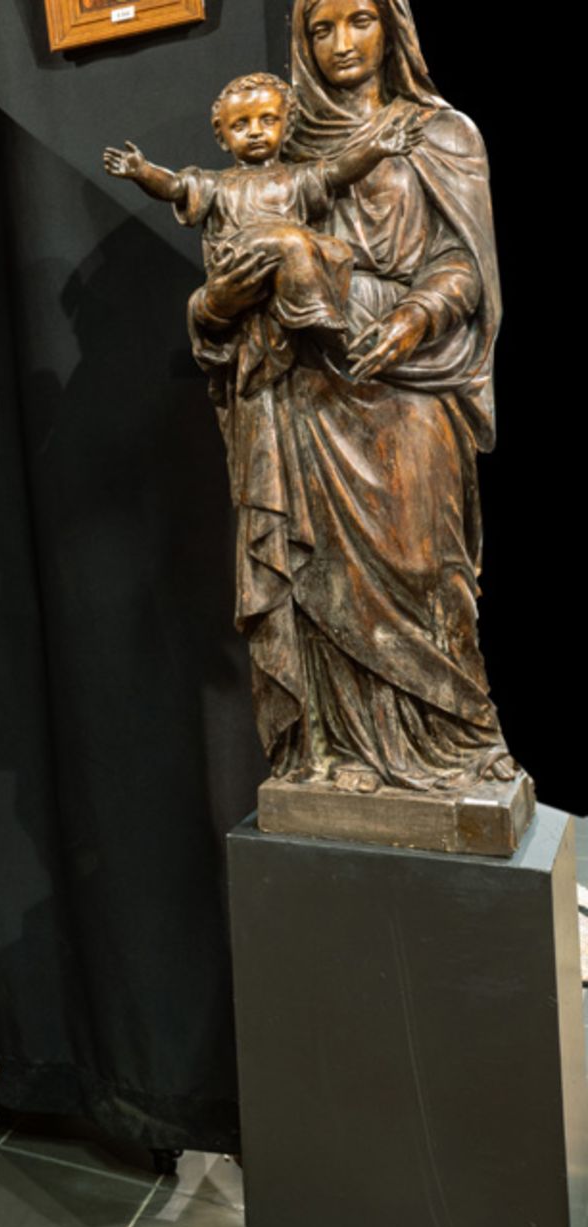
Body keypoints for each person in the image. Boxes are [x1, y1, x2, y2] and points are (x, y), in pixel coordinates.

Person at [191, 0, 514, 795]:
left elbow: (465, 264)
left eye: (359, 20)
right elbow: (217, 289)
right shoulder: (276, 149)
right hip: (304, 393)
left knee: (426, 573)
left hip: (407, 379)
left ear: (393, 27)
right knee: (316, 585)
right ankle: (332, 756)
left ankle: (462, 743)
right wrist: (213, 307)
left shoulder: (441, 136)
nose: (341, 44)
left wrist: (413, 316)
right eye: (321, 28)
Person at [105, 72, 422, 394]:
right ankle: (323, 325)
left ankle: (317, 328)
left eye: (267, 120)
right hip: (241, 259)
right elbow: (173, 187)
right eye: (240, 125)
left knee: (307, 246)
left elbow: (338, 171)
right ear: (221, 135)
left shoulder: (296, 177)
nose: (255, 132)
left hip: (288, 262)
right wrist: (142, 172)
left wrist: (376, 149)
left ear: (287, 126)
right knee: (292, 241)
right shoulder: (214, 183)